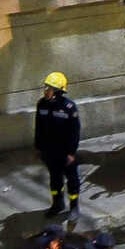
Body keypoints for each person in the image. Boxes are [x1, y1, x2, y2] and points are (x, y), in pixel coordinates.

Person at [35, 71, 83, 218]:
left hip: (65, 152)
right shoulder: (42, 104)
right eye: (45, 87)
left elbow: (75, 131)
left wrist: (71, 153)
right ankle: (57, 204)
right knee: (55, 180)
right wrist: (38, 148)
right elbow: (38, 127)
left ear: (57, 92)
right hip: (49, 152)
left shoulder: (69, 107)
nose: (45, 90)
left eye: (49, 88)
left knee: (72, 180)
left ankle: (74, 207)